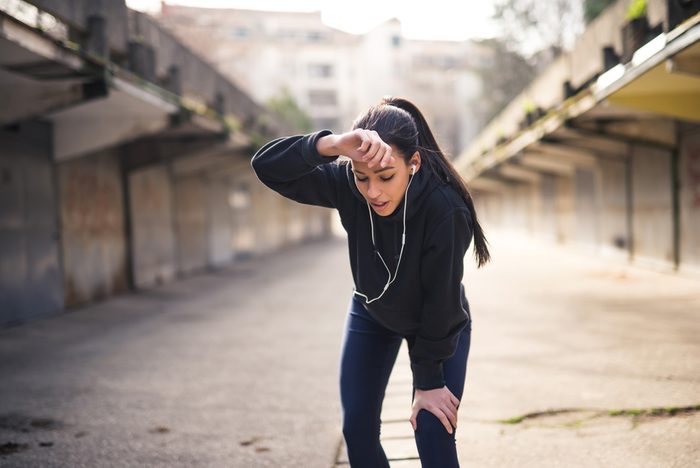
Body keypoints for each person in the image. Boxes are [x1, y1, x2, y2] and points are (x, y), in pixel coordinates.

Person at [251, 96, 490, 467]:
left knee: (432, 426)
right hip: (371, 312)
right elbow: (267, 166)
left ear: (414, 163)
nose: (373, 191)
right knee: (357, 432)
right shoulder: (347, 183)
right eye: (363, 177)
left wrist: (427, 381)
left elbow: (441, 303)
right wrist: (330, 145)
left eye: (386, 176)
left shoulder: (445, 207)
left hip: (437, 323)